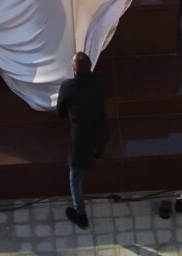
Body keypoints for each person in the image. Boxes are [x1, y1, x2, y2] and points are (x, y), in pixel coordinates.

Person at [56, 51, 107, 230]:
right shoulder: (100, 81)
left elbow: (61, 114)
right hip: (100, 134)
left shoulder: (67, 87)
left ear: (74, 71)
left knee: (75, 176)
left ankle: (81, 215)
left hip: (81, 140)